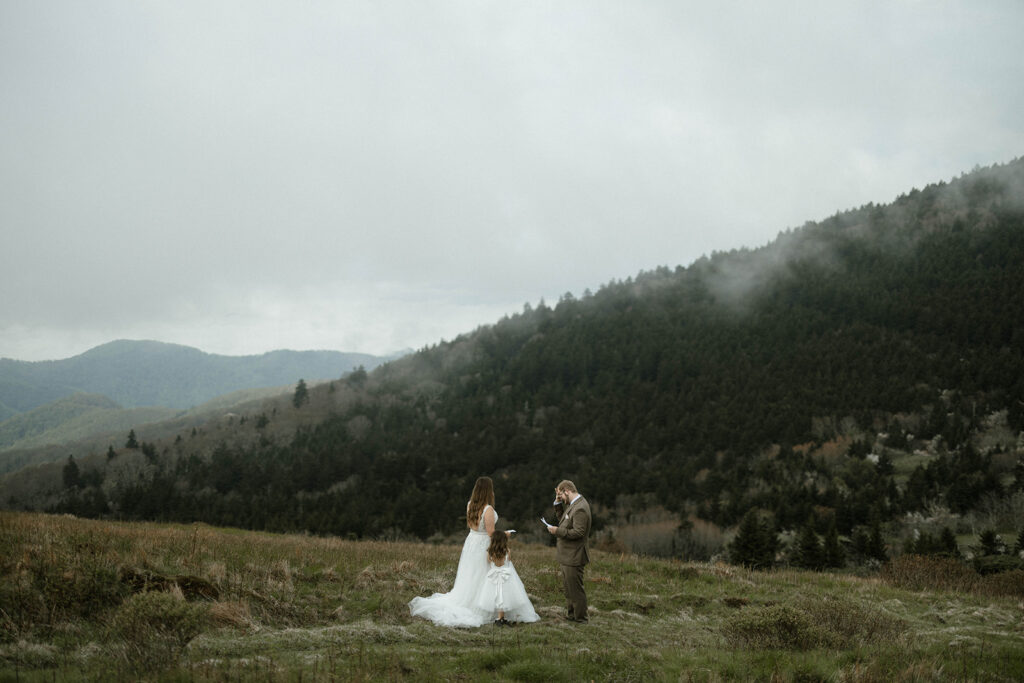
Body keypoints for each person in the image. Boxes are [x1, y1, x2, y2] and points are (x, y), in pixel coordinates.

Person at [409, 476, 536, 627]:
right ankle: (486, 607)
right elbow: (491, 534)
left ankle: (475, 601)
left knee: (472, 574)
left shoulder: (470, 505)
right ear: (489, 491)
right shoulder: (488, 509)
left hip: (471, 542)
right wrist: (506, 534)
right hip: (483, 545)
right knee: (487, 575)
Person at [545, 479, 592, 623]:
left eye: (561, 495)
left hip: (575, 555)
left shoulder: (580, 508)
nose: (561, 499)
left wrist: (556, 531)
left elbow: (578, 533)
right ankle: (572, 615)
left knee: (576, 589)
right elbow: (565, 522)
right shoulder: (574, 505)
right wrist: (557, 504)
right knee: (568, 589)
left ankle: (581, 619)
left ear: (567, 491)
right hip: (567, 555)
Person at [475, 529, 540, 626]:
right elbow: (508, 561)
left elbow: (489, 562)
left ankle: (500, 618)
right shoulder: (507, 551)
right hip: (507, 577)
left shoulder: (489, 552)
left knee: (496, 595)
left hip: (493, 576)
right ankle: (501, 618)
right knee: (504, 595)